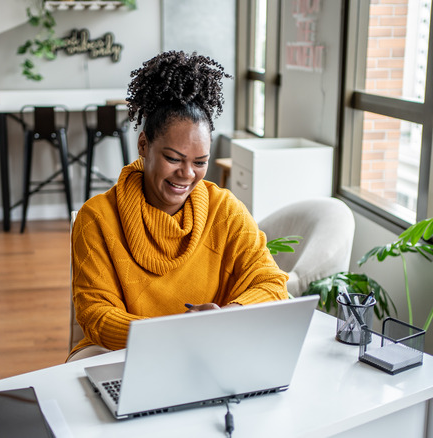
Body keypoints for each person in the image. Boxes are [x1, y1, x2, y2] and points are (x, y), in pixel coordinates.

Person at [68, 51, 288, 362]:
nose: (187, 174)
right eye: (173, 159)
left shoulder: (225, 210)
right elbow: (96, 315)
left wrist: (229, 315)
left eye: (200, 163)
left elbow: (272, 283)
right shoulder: (97, 219)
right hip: (125, 356)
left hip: (208, 354)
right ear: (143, 145)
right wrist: (175, 334)